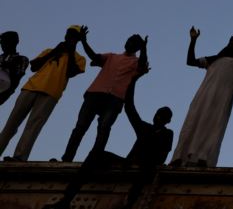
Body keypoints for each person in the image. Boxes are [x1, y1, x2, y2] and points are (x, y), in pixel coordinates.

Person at [41, 73, 173, 209]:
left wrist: (141, 161)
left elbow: (162, 155)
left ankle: (127, 208)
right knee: (97, 154)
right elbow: (129, 106)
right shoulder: (144, 128)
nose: (158, 117)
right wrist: (133, 80)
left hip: (146, 166)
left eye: (162, 116)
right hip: (129, 163)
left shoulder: (167, 134)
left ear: (167, 121)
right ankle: (66, 201)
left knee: (147, 168)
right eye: (157, 114)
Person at [170, 28, 233, 167]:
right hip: (203, 97)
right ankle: (180, 157)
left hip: (221, 101)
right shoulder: (214, 60)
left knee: (213, 127)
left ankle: (203, 158)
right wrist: (193, 40)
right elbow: (190, 61)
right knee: (192, 123)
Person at [0, 26, 87, 161]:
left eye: (73, 35)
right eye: (68, 34)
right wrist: (55, 51)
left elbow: (71, 72)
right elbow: (34, 66)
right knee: (11, 124)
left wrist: (70, 52)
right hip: (30, 88)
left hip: (51, 93)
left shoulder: (79, 58)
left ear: (78, 39)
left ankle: (19, 157)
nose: (69, 37)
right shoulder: (50, 51)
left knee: (33, 126)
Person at [62, 32, 148, 162]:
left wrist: (144, 49)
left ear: (137, 48)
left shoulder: (136, 62)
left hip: (114, 99)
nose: (129, 43)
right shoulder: (112, 57)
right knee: (80, 127)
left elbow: (142, 65)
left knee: (103, 128)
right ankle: (67, 158)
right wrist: (84, 41)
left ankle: (94, 159)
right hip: (95, 94)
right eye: (128, 40)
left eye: (133, 43)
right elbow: (95, 56)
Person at [1, 31, 30, 106]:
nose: (3, 44)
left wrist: (8, 66)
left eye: (6, 41)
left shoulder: (22, 59)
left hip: (3, 91)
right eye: (2, 42)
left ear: (15, 42)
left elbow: (18, 75)